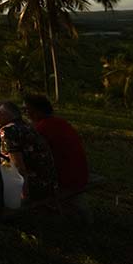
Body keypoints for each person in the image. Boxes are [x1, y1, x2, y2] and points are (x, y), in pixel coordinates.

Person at [23, 94, 92, 223]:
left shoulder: (41, 128)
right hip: (80, 174)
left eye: (27, 110)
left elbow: (29, 158)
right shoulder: (61, 123)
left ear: (37, 111)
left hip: (65, 179)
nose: (25, 113)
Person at [0, 100, 57, 202]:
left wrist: (23, 195)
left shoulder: (9, 131)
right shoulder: (25, 126)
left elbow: (17, 165)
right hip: (48, 181)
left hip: (34, 185)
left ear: (7, 113)